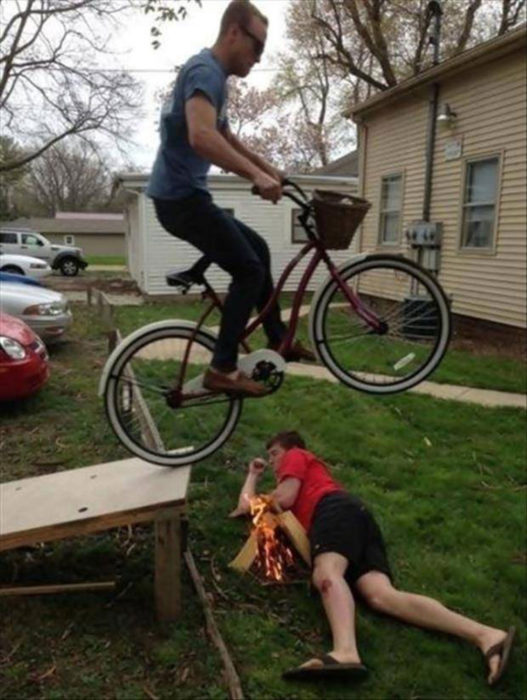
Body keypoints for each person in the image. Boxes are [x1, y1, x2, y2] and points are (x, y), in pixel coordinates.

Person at [230, 430, 515, 684]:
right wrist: (253, 475)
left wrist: (264, 498)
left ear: (290, 448)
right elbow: (248, 507)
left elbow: (285, 498)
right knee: (381, 596)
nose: (273, 462)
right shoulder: (293, 474)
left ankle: (345, 652)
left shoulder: (296, 454)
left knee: (327, 574)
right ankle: (487, 635)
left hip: (333, 511)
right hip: (357, 519)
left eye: (274, 454)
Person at [146, 0, 314, 398]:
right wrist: (256, 176)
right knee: (249, 271)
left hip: (185, 198)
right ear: (234, 32)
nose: (259, 58)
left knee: (258, 250)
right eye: (258, 47)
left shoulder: (213, 77)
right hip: (180, 200)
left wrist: (268, 169)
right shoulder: (206, 71)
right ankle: (221, 368)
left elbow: (224, 136)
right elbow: (201, 136)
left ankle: (278, 339)